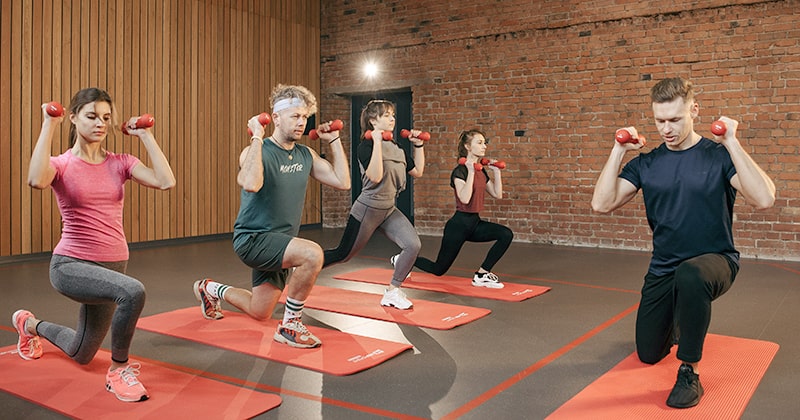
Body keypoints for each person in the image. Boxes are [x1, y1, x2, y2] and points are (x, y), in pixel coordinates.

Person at [591, 77, 776, 408]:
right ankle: (679, 317)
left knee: (691, 275)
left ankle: (689, 371)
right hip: (664, 267)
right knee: (648, 353)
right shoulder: (647, 164)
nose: (666, 129)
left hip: (715, 261)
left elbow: (763, 198)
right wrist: (618, 149)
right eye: (660, 121)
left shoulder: (716, 157)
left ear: (694, 110)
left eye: (675, 119)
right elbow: (602, 204)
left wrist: (732, 142)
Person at [14, 87, 176, 402]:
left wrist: (145, 136)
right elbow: (36, 179)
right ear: (73, 118)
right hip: (71, 265)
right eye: (91, 117)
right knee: (133, 291)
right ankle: (119, 371)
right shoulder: (61, 164)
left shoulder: (121, 162)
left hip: (113, 266)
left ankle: (29, 324)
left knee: (82, 352)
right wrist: (49, 124)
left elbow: (166, 181)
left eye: (105, 118)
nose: (100, 123)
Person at [193, 84, 350, 349]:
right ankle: (290, 326)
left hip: (279, 242)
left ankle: (208, 288)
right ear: (275, 118)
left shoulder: (305, 154)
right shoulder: (256, 151)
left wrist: (333, 141)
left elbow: (342, 181)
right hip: (253, 239)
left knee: (260, 311)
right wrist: (256, 137)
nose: (301, 122)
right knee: (312, 254)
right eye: (294, 116)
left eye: (304, 117)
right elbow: (252, 183)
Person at [322, 99, 426, 310]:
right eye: (386, 115)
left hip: (388, 209)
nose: (392, 119)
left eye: (393, 115)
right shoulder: (365, 146)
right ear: (372, 120)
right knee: (343, 255)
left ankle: (393, 291)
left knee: (413, 245)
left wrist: (419, 145)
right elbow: (375, 177)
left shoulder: (397, 148)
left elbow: (418, 171)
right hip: (368, 209)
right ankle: (302, 264)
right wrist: (377, 142)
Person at [410, 129, 512, 288]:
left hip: (474, 224)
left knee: (506, 234)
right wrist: (471, 171)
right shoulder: (460, 171)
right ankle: (404, 260)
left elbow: (497, 194)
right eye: (479, 143)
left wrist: (496, 172)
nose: (484, 146)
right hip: (458, 226)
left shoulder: (481, 170)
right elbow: (464, 198)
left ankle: (482, 274)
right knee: (439, 269)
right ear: (467, 146)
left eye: (484, 142)